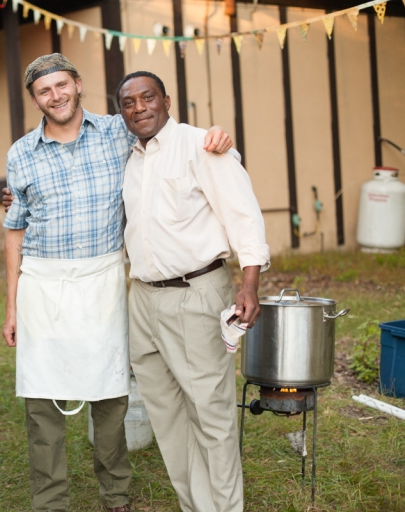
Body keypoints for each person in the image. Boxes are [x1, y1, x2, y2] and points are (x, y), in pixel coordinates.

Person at [1, 54, 232, 512]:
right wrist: (10, 306)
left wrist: (215, 136)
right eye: (44, 91)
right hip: (41, 283)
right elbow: (15, 230)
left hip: (104, 277)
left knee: (110, 395)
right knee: (42, 403)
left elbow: (165, 134)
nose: (56, 96)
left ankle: (116, 496)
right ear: (34, 99)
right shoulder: (20, 153)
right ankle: (50, 502)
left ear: (78, 84)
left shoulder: (116, 131)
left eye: (62, 85)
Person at [117, 70, 269, 512]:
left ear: (166, 100)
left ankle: (225, 507)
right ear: (122, 112)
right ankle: (195, 505)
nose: (139, 107)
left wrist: (249, 284)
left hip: (195, 292)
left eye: (148, 98)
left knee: (211, 412)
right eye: (129, 102)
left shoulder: (203, 145)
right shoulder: (131, 158)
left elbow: (245, 217)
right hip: (143, 299)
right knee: (167, 416)